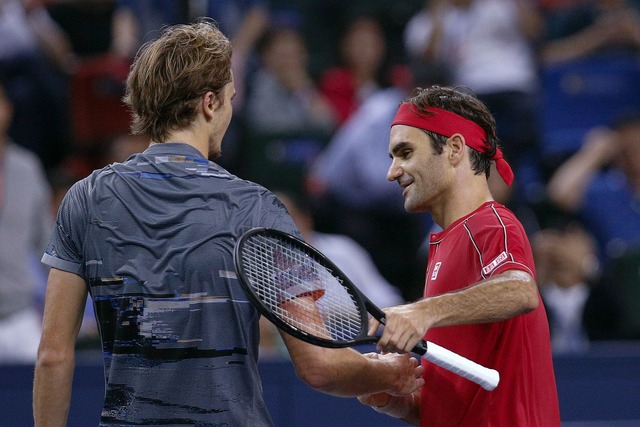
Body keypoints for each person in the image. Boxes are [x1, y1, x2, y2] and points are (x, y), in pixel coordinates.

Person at [32, 20, 424, 426]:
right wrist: (387, 373)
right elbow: (320, 366)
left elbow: (53, 357)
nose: (231, 111)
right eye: (230, 98)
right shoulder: (256, 208)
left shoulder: (86, 198)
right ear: (209, 103)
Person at [357, 85, 561, 426]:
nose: (392, 172)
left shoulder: (492, 225)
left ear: (453, 148)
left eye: (405, 152)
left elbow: (521, 290)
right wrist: (398, 402)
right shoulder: (445, 244)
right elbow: (457, 404)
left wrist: (421, 311)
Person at [0, 80, 52, 364]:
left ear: (8, 109)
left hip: (19, 318)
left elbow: (48, 246)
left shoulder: (26, 167)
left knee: (49, 376)